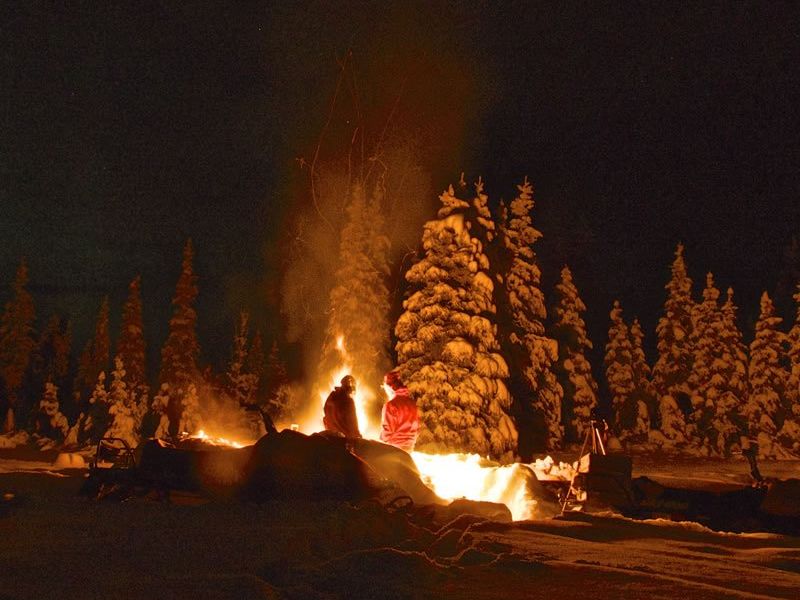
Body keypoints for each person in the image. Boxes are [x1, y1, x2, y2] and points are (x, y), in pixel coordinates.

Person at [380, 370, 419, 452]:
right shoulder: (412, 404)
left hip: (395, 448)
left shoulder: (391, 405)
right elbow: (417, 428)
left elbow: (387, 430)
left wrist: (381, 441)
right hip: (409, 447)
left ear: (390, 388)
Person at [323, 374, 361, 439]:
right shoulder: (349, 401)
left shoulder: (332, 395)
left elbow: (325, 410)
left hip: (331, 435)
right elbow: (353, 422)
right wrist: (357, 435)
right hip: (344, 438)